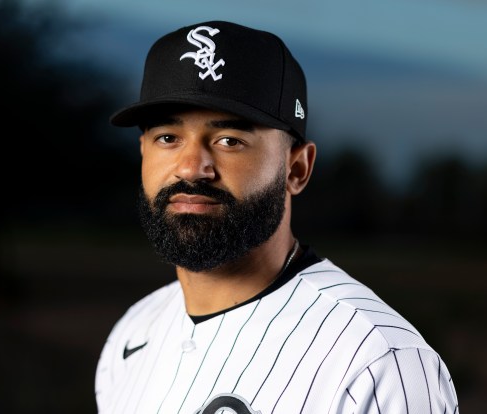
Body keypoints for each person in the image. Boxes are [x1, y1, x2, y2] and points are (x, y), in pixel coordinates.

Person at [95, 20, 459, 413]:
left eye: (229, 141)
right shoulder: (133, 332)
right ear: (143, 152)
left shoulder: (376, 360)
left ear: (297, 169)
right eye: (168, 138)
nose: (191, 167)